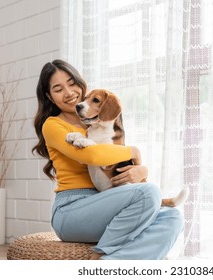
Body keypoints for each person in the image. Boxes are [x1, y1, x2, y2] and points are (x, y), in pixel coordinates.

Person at [32, 59, 184, 260]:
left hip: (106, 201)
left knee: (172, 217)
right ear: (49, 97)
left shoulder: (97, 121)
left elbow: (116, 157)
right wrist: (134, 152)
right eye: (58, 89)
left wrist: (141, 170)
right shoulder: (52, 125)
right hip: (71, 210)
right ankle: (102, 254)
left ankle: (107, 265)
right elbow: (92, 155)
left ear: (80, 83)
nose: (68, 92)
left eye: (71, 83)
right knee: (149, 193)